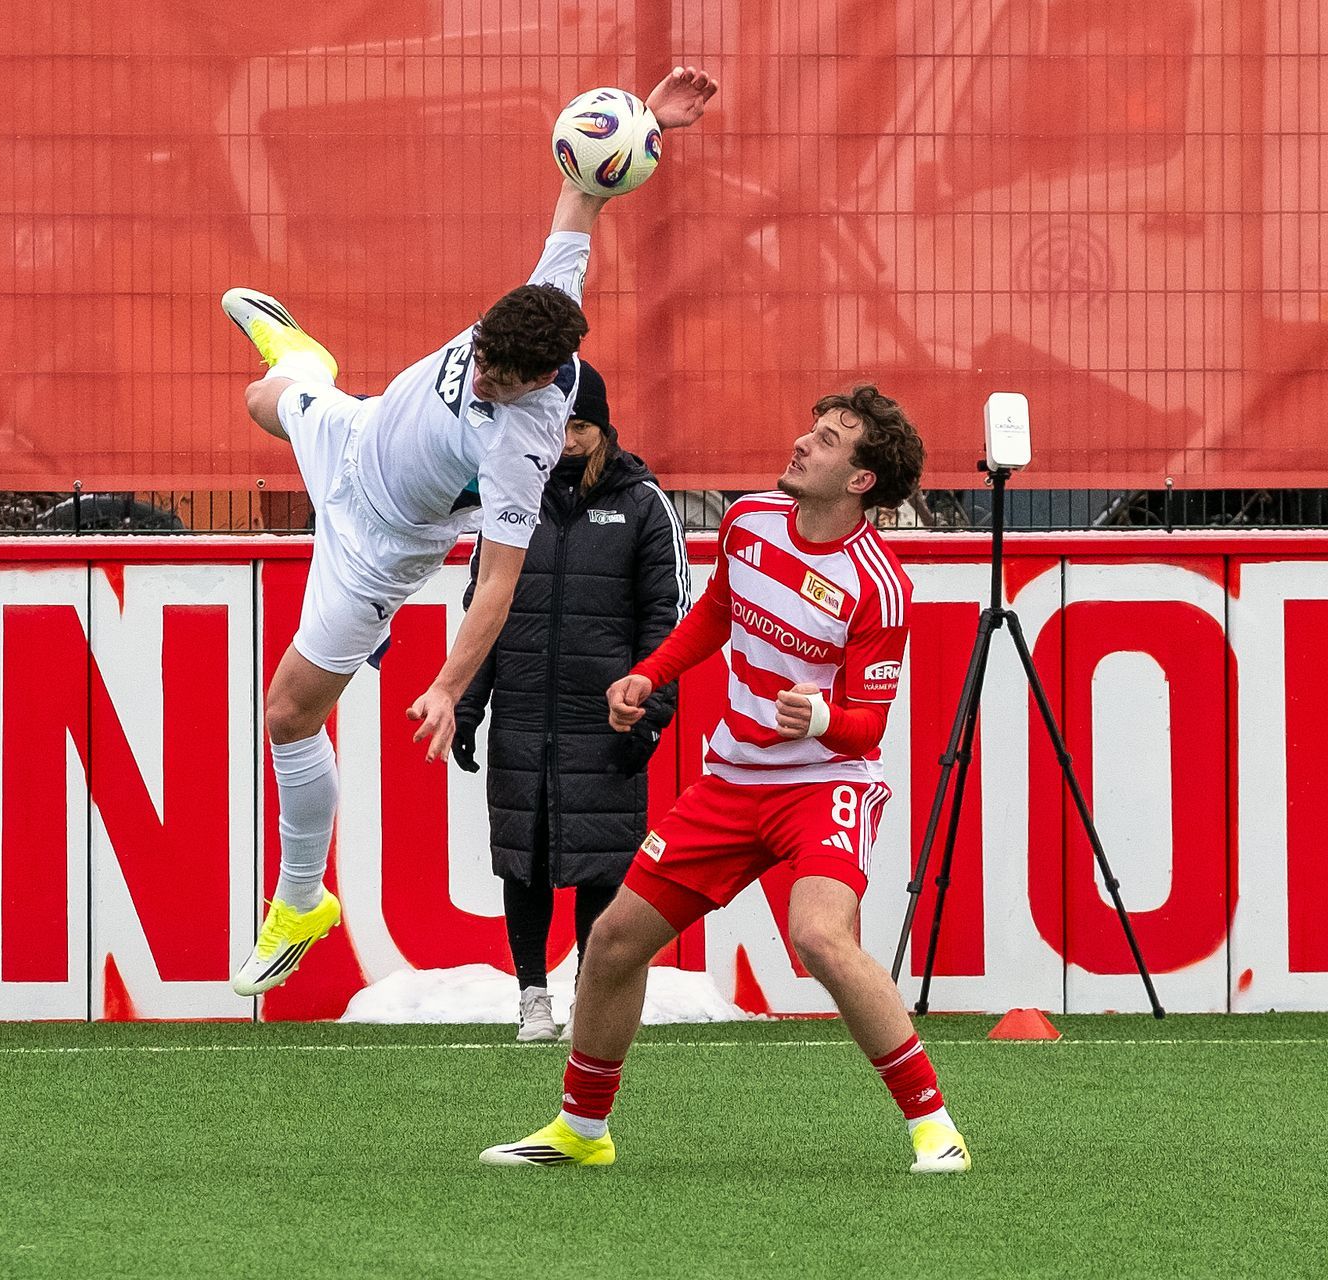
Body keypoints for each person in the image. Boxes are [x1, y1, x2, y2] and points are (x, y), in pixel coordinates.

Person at [219, 68, 719, 997]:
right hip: (360, 432)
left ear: (544, 381)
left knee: (287, 713)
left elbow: (497, 582)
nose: (481, 376)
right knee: (262, 397)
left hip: (377, 546)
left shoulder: (525, 446)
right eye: (481, 356)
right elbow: (584, 193)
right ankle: (308, 363)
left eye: (497, 378)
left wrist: (449, 686)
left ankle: (301, 901)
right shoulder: (539, 302)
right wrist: (647, 123)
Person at [480, 385, 973, 1175]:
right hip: (733, 782)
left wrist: (821, 718)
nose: (804, 443)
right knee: (613, 941)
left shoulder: (879, 586)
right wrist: (649, 674)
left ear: (861, 481)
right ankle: (581, 1129)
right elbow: (716, 611)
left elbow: (868, 728)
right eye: (811, 429)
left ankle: (934, 1125)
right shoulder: (749, 520)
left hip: (824, 785)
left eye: (829, 440)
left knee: (819, 936)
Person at [450, 363, 687, 1041]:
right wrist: (467, 706)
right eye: (559, 425)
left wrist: (650, 715)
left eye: (580, 426)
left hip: (606, 719)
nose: (567, 439)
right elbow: (482, 615)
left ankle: (590, 993)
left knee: (602, 863)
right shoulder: (510, 499)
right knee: (521, 859)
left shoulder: (644, 504)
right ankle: (532, 998)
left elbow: (667, 621)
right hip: (523, 716)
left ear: (604, 428)